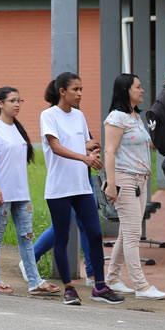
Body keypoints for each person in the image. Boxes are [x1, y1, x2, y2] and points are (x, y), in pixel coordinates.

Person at [40, 71, 124, 306]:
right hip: (59, 188)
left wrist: (90, 153)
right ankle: (69, 289)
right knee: (62, 236)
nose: (79, 94)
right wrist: (84, 158)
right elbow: (55, 147)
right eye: (75, 90)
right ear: (62, 91)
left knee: (95, 233)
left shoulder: (79, 116)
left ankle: (99, 286)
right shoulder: (48, 115)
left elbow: (80, 144)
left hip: (81, 186)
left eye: (81, 90)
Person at [0, 86, 60, 296]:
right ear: (0, 104)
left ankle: (34, 281)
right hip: (1, 194)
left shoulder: (17, 129)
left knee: (26, 236)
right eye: (12, 101)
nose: (17, 104)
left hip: (21, 194)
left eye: (19, 100)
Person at [103, 73, 165, 300]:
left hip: (140, 180)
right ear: (126, 90)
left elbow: (143, 144)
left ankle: (111, 279)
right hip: (124, 180)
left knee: (126, 233)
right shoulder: (116, 118)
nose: (142, 90)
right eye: (138, 87)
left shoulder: (134, 117)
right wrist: (111, 184)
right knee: (132, 234)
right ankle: (141, 285)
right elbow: (109, 151)